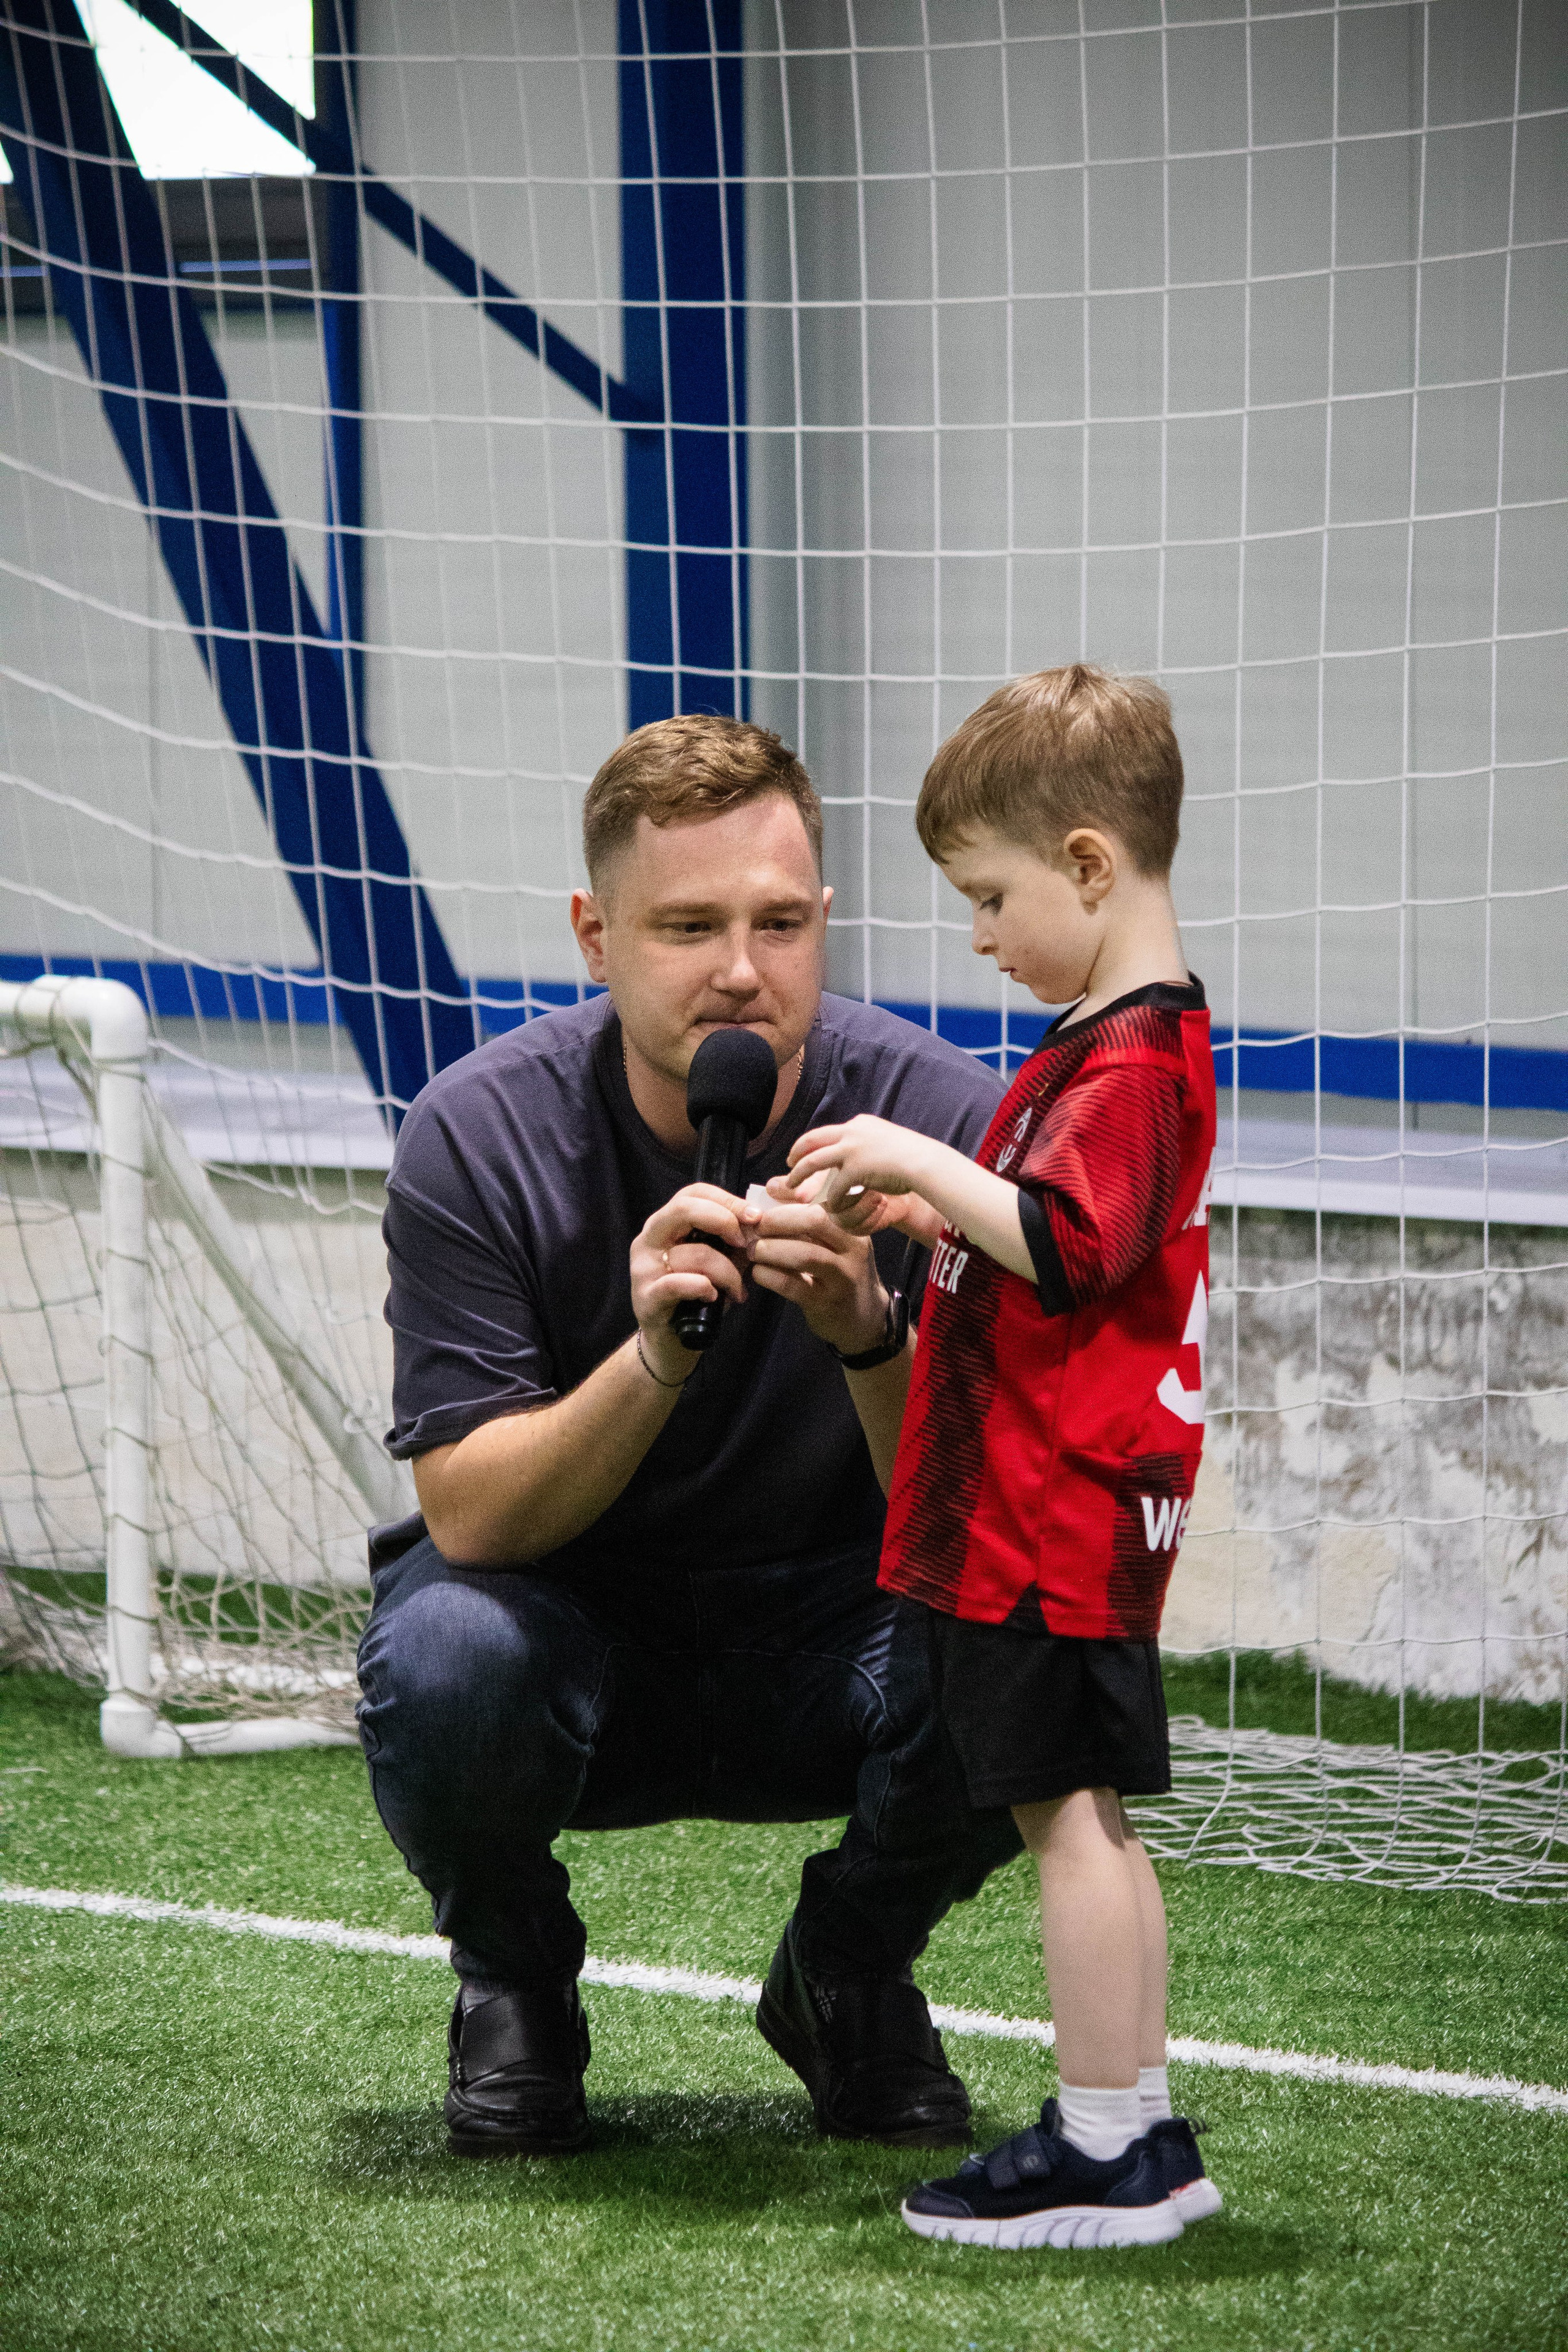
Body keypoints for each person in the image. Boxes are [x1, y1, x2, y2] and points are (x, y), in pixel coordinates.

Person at [356, 714, 1022, 2158]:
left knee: (1034, 1620)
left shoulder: (942, 1128)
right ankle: (516, 1985)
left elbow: (986, 1521)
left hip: (836, 1636)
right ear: (595, 935)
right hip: (572, 1624)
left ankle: (845, 1967)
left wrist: (865, 1334)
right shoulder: (475, 1134)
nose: (741, 968)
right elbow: (468, 1518)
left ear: (825, 921)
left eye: (779, 921)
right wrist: (652, 1355)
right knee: (445, 1653)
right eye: (686, 925)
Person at [781, 665, 1221, 2248]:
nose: (979, 935)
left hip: (1058, 1519)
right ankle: (1137, 2133)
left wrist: (914, 1156)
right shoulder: (1103, 1050)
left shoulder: (1136, 1062)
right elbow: (1030, 1250)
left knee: (1070, 1819)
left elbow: (1071, 1242)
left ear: (1092, 867)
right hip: (1029, 1515)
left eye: (990, 898)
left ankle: (1113, 2145)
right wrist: (925, 1214)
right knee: (1076, 1814)